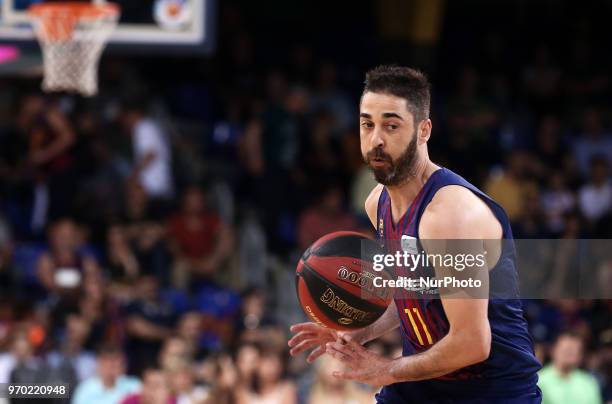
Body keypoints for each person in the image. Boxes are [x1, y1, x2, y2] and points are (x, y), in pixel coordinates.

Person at [289, 66, 542, 402]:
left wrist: (386, 369)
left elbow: (472, 343)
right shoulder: (376, 203)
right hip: (422, 386)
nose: (376, 139)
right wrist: (356, 331)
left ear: (424, 131)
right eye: (368, 124)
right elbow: (411, 293)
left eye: (391, 126)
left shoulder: (451, 217)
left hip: (490, 392)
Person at [538, 332, 602, 404]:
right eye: (566, 349)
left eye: (574, 351)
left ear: (581, 355)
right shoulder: (539, 380)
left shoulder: (589, 382)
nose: (569, 354)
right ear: (553, 350)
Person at [72, 345, 141, 404]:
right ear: (99, 364)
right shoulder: (85, 389)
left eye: (116, 362)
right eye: (108, 362)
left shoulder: (134, 385)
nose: (112, 366)